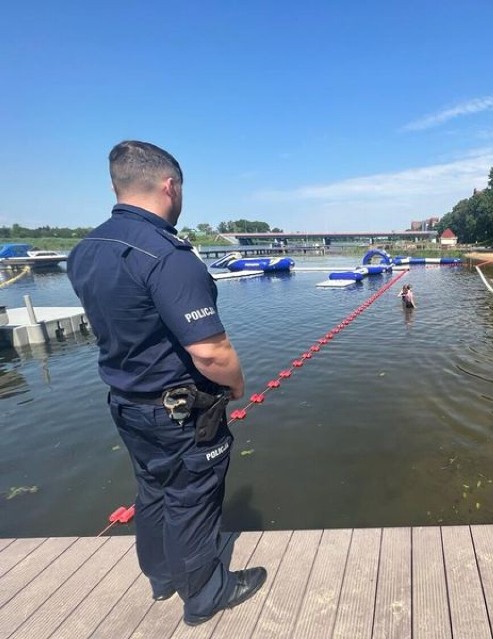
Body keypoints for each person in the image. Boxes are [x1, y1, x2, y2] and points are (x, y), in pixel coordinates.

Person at [67, 141, 266, 627]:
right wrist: (237, 386)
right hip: (179, 408)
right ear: (170, 186)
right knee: (193, 494)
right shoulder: (167, 255)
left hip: (126, 401)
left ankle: (162, 576)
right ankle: (205, 593)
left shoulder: (86, 250)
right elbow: (211, 351)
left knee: (153, 488)